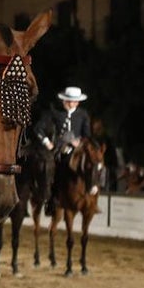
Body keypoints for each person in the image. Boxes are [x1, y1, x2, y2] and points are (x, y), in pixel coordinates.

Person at [35, 86, 92, 215]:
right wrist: (47, 143)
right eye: (66, 100)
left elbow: (87, 135)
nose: (66, 103)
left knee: (94, 164)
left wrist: (80, 142)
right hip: (60, 150)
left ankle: (91, 194)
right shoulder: (55, 112)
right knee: (53, 169)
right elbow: (38, 128)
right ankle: (52, 200)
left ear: (77, 102)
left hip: (78, 149)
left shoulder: (83, 115)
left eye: (70, 101)